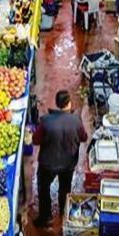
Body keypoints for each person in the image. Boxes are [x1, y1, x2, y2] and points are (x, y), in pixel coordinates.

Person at [33, 90, 88, 226]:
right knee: (65, 187)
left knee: (44, 188)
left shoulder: (46, 121)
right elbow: (84, 137)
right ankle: (64, 211)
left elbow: (35, 140)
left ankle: (45, 217)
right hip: (68, 164)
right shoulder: (76, 121)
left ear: (57, 104)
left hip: (48, 164)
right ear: (69, 103)